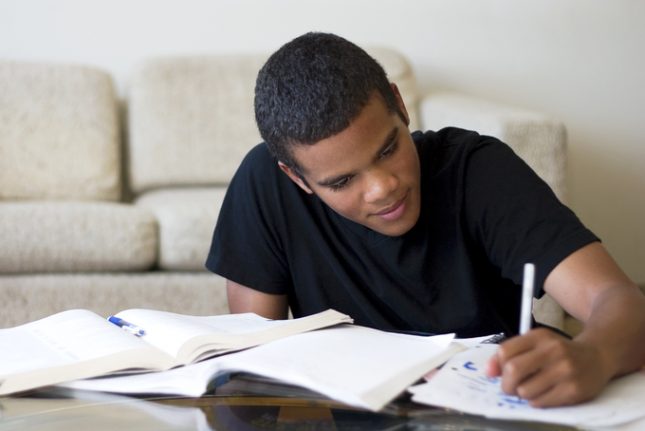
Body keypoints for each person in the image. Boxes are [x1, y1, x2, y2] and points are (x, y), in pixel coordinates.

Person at [206, 32, 645, 407]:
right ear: (296, 177)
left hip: (495, 407)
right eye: (341, 182)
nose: (383, 188)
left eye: (387, 149)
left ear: (399, 104)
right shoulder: (264, 183)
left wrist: (595, 355)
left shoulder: (478, 170)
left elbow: (621, 302)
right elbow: (254, 365)